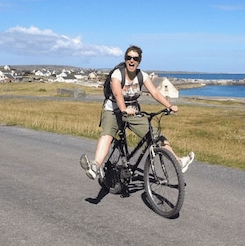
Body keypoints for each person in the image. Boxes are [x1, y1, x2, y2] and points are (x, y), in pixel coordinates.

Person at [80, 45, 194, 180]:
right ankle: (95, 166)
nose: (132, 61)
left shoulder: (142, 75)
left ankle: (178, 162)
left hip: (133, 112)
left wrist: (169, 106)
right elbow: (117, 93)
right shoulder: (118, 74)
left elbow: (155, 92)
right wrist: (123, 109)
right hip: (113, 110)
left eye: (135, 58)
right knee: (108, 134)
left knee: (155, 135)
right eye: (129, 58)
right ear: (125, 59)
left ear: (139, 61)